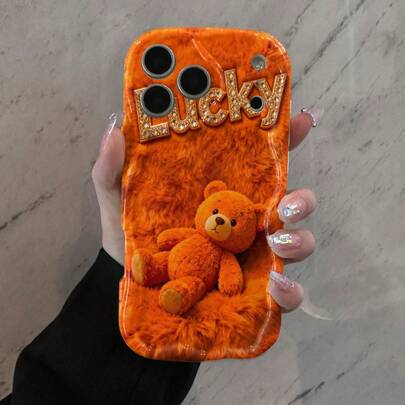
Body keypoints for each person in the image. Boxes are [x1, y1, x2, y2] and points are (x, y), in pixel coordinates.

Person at [0, 108, 321, 405]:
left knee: (190, 285)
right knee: (159, 264)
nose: (220, 222)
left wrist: (126, 274)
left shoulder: (224, 252)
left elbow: (228, 277)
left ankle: (172, 291)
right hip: (162, 273)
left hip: (178, 287)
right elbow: (172, 238)